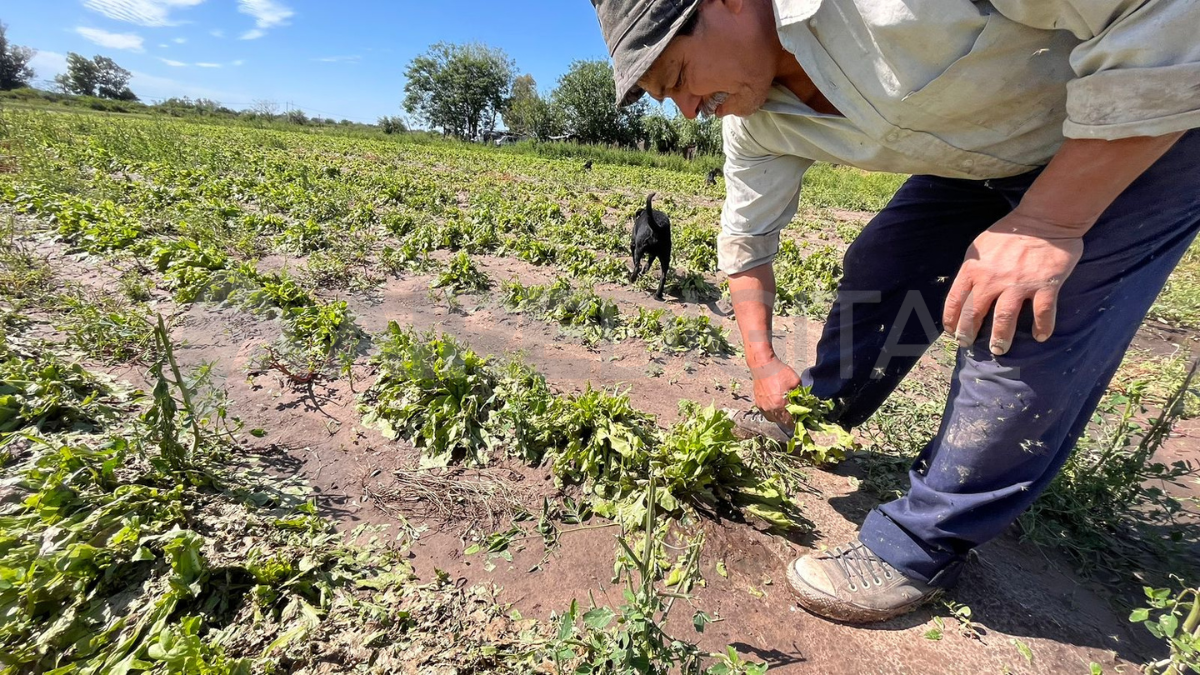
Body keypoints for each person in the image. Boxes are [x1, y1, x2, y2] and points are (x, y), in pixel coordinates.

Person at [590, 0, 1200, 624]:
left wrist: (1050, 221)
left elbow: (1166, 13)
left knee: (1017, 317)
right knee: (883, 265)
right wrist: (763, 360)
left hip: (1141, 121)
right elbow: (746, 245)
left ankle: (922, 542)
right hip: (984, 151)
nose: (689, 109)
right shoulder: (753, 121)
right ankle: (820, 409)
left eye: (677, 77)